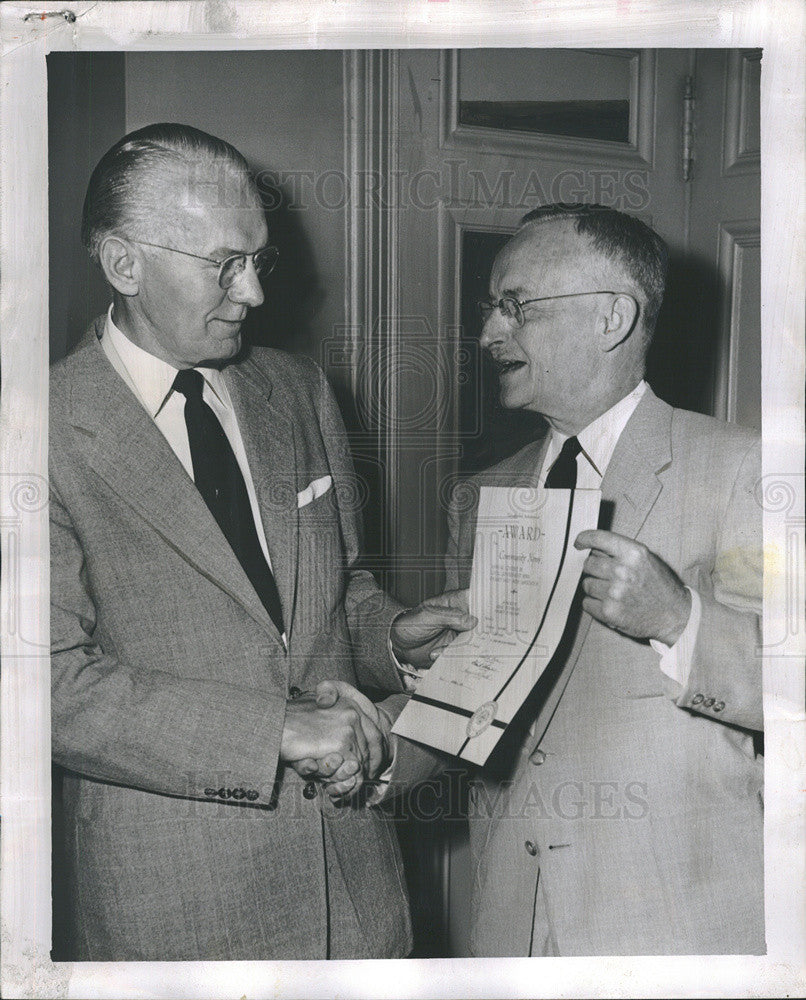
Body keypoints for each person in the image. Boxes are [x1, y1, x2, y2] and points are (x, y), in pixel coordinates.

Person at [49, 123, 468, 961]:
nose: (254, 294)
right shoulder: (39, 430)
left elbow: (336, 591)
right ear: (125, 263)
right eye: (224, 265)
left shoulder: (297, 389)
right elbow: (44, 686)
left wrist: (391, 635)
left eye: (260, 261)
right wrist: (272, 730)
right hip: (176, 912)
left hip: (356, 894)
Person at [390, 203, 764, 956]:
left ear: (612, 318)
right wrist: (422, 665)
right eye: (492, 309)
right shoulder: (481, 496)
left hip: (672, 925)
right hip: (512, 923)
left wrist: (680, 621)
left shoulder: (743, 467)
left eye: (515, 306)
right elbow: (486, 720)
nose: (490, 333)